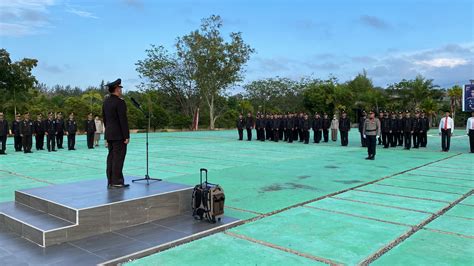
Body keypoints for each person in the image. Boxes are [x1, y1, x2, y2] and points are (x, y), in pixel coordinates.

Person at [103, 78, 130, 189]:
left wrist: (106, 135)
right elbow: (122, 120)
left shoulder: (106, 102)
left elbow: (105, 120)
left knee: (111, 158)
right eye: (119, 88)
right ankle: (117, 181)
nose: (121, 89)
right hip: (119, 135)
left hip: (110, 134)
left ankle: (110, 180)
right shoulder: (120, 102)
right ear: (116, 89)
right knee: (118, 158)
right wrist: (126, 135)